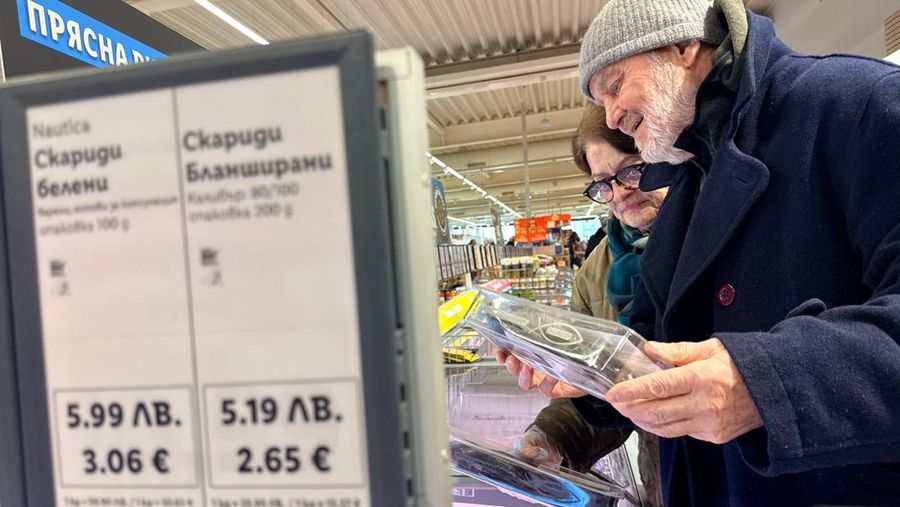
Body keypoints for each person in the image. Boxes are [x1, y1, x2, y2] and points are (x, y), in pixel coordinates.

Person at [501, 0, 900, 504]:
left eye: (615, 86)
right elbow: (652, 342)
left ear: (683, 48)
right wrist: (582, 368)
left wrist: (763, 383)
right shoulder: (690, 181)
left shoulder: (860, 105)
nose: (612, 117)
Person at [510, 103, 668, 506]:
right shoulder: (596, 271)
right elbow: (595, 389)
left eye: (631, 170)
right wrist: (551, 437)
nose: (619, 193)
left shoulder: (717, 237)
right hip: (663, 480)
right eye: (602, 184)